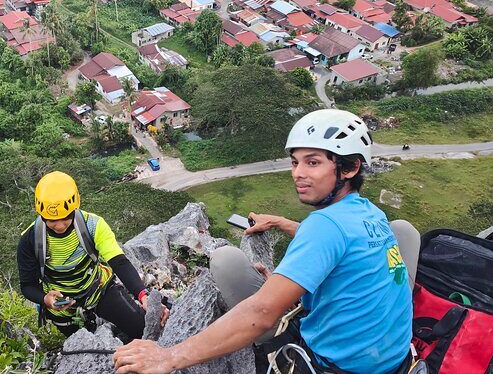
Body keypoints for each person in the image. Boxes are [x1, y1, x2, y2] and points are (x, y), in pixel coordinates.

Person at [113, 109, 414, 373]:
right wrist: (283, 224)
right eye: (295, 162)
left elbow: (260, 312)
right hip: (392, 360)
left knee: (225, 260)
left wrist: (168, 356)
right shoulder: (370, 214)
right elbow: (343, 246)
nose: (298, 174)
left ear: (349, 168)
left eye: (313, 163)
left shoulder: (324, 225)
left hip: (336, 366)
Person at [17, 171, 168, 338]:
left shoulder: (93, 226)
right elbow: (28, 285)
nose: (59, 226)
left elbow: (119, 262)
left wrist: (142, 295)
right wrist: (45, 299)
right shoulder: (30, 239)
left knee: (143, 331)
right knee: (86, 349)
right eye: (51, 220)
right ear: (41, 213)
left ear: (75, 206)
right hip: (62, 308)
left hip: (98, 290)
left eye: (66, 217)